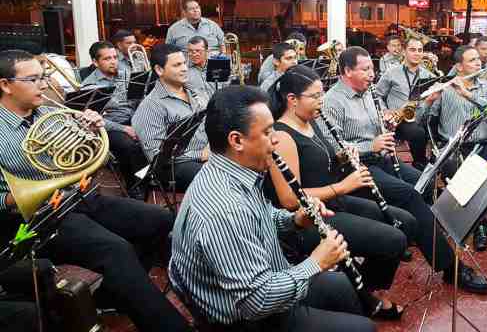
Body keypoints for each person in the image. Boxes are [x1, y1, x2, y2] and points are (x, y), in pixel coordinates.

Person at [0, 49, 190, 332]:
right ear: (6, 85)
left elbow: (89, 158)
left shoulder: (52, 113)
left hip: (79, 197)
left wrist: (91, 131)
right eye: (33, 79)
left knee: (160, 220)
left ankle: (114, 293)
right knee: (115, 250)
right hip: (38, 216)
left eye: (44, 77)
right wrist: (13, 198)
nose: (44, 85)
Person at [169, 85, 376, 332]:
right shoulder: (225, 209)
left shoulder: (232, 170)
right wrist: (316, 262)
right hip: (249, 319)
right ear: (237, 140)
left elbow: (261, 216)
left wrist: (294, 220)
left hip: (270, 280)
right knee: (364, 328)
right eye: (267, 132)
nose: (276, 139)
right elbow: (257, 302)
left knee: (343, 287)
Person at [323, 46, 487, 294]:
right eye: (366, 69)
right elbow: (331, 148)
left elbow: (382, 125)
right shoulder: (332, 101)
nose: (372, 74)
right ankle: (451, 267)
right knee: (409, 194)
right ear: (347, 71)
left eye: (372, 68)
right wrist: (371, 145)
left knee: (426, 181)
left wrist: (389, 123)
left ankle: (411, 232)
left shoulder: (369, 92)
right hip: (356, 169)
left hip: (382, 159)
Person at [267, 65, 417, 319]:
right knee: (394, 240)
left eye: (322, 94)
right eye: (315, 96)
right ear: (292, 100)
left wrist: (342, 156)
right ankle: (363, 297)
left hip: (335, 200)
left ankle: (361, 289)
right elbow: (290, 199)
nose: (321, 101)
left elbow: (320, 163)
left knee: (407, 223)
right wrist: (344, 186)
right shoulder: (282, 137)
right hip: (309, 219)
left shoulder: (310, 121)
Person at [424, 45, 487, 251]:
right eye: (472, 60)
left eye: (478, 59)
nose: (478, 63)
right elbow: (422, 120)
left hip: (483, 143)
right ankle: (480, 226)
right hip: (454, 146)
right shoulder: (445, 88)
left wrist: (469, 95)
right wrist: (428, 102)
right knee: (466, 180)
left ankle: (486, 208)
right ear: (459, 67)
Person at [132, 44, 210, 192]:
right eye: (177, 65)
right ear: (159, 70)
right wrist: (201, 155)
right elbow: (156, 155)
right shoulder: (151, 105)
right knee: (218, 178)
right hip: (173, 167)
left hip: (207, 154)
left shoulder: (195, 92)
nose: (185, 68)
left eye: (184, 63)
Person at [81, 41, 147, 195]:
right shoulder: (90, 85)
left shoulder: (126, 74)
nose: (113, 62)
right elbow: (94, 120)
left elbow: (138, 100)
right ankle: (135, 185)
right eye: (107, 59)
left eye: (115, 57)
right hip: (109, 127)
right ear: (95, 62)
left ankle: (149, 176)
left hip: (134, 118)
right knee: (130, 146)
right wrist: (124, 128)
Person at [375, 38, 434, 169]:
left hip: (421, 116)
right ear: (404, 52)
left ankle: (434, 162)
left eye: (420, 50)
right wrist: (385, 111)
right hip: (398, 119)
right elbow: (377, 95)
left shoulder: (429, 75)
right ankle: (420, 163)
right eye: (412, 50)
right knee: (417, 133)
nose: (417, 53)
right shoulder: (391, 73)